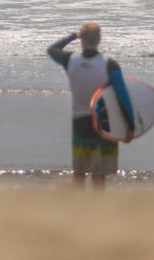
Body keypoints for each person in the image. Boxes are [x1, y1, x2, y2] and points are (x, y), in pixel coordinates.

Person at [48, 23, 135, 189]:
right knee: (99, 175)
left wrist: (72, 36)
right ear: (99, 39)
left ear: (82, 39)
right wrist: (130, 126)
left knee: (79, 173)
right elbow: (122, 97)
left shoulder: (70, 61)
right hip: (103, 124)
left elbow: (52, 50)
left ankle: (78, 209)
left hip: (80, 124)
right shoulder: (109, 64)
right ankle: (97, 210)